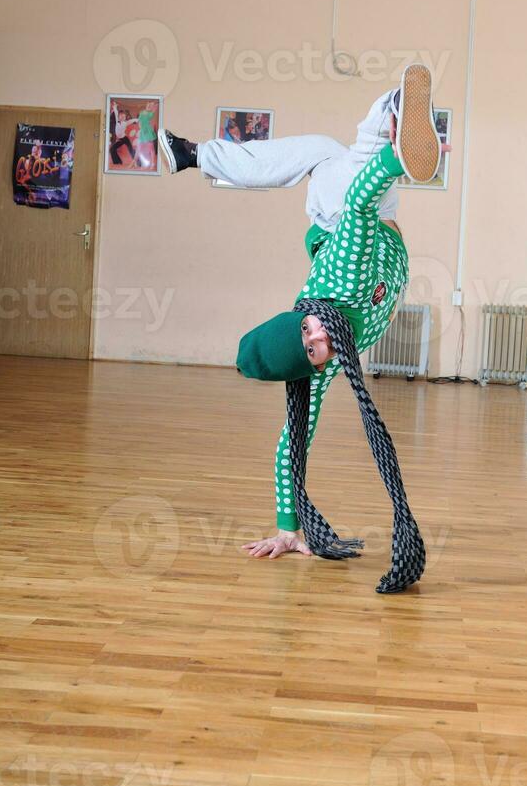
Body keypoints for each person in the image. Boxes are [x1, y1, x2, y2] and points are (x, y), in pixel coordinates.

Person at [158, 65, 448, 565]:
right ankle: (193, 153)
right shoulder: (328, 361)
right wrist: (287, 529)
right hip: (348, 213)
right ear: (313, 363)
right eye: (314, 349)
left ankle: (392, 125)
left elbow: (358, 207)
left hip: (346, 216)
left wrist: (393, 161)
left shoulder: (341, 284)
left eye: (306, 328)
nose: (320, 337)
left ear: (299, 315)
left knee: (358, 159)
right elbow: (291, 444)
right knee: (320, 151)